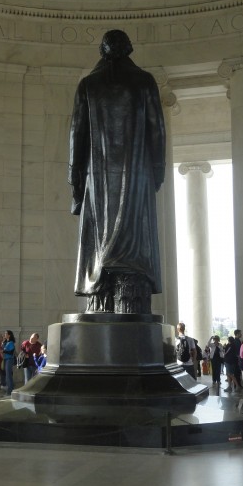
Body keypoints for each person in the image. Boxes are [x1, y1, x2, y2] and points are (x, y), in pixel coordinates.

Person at [69, 30, 165, 314]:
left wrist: (75, 182)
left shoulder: (89, 84)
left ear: (102, 51)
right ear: (129, 49)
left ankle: (99, 291)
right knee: (134, 235)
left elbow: (76, 138)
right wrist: (157, 172)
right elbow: (157, 132)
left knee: (99, 238)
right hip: (136, 175)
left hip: (97, 178)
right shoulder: (144, 81)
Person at [2, 330, 17, 395]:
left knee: (8, 375)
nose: (4, 334)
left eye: (6, 333)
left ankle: (10, 390)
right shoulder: (6, 342)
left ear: (9, 335)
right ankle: (9, 388)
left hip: (9, 359)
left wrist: (3, 351)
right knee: (7, 374)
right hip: (6, 359)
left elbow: (11, 352)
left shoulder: (11, 343)